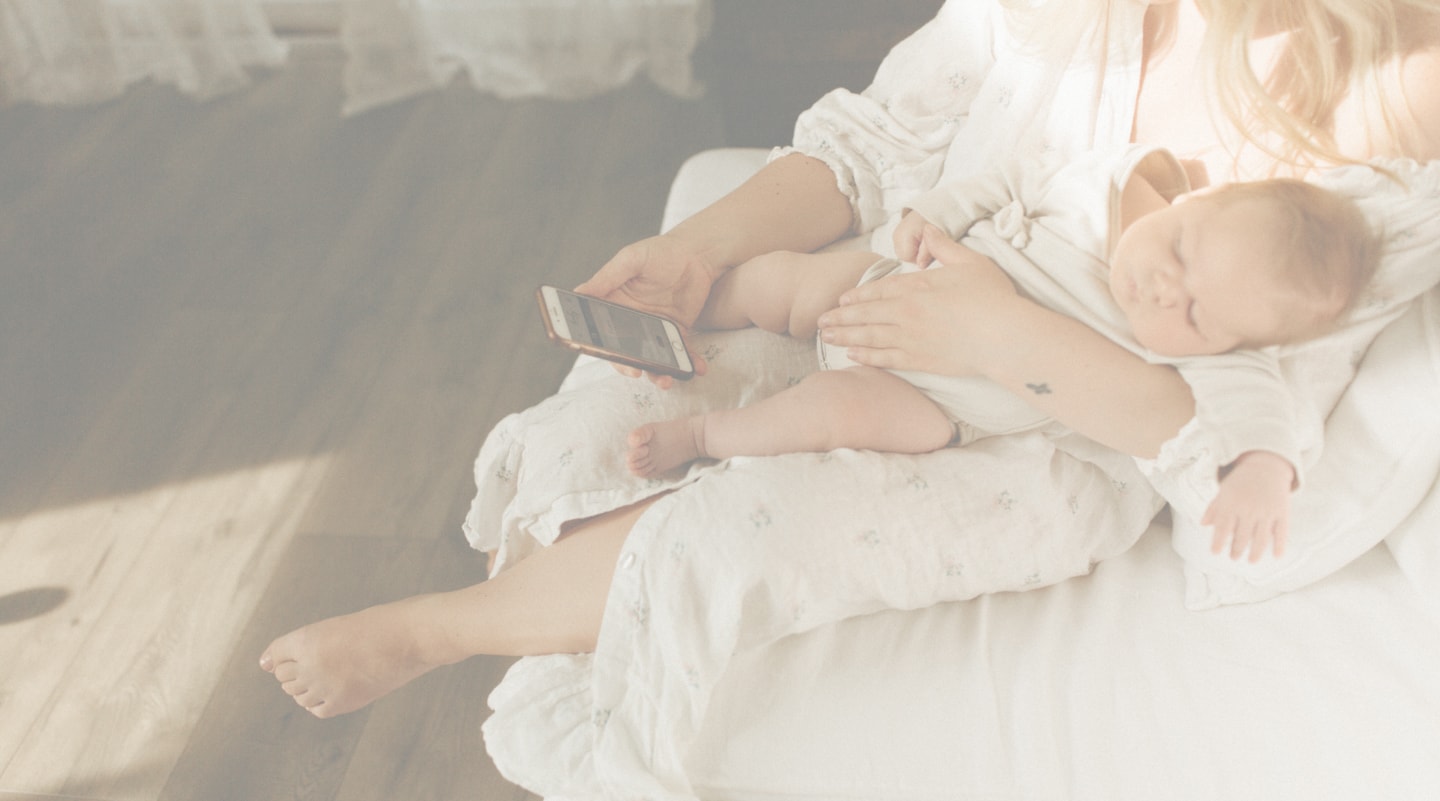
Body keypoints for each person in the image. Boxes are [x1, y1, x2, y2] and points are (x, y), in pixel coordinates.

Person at [260, 2, 1440, 796]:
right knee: (606, 415)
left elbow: (1238, 435)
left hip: (1038, 444)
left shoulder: (1390, 93)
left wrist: (998, 330)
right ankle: (548, 594)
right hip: (899, 297)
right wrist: (703, 252)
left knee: (739, 525)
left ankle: (432, 633)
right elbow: (879, 139)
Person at [625, 151, 1381, 565]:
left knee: (835, 412)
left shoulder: (1225, 363)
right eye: (1179, 251)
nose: (1159, 290)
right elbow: (1006, 178)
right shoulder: (1097, 191)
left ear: (1235, 341)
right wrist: (935, 218)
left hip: (941, 401)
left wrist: (1261, 472)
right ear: (1190, 203)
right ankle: (690, 311)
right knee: (786, 280)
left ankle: (706, 438)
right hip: (888, 288)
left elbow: (1264, 411)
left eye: (1195, 313)